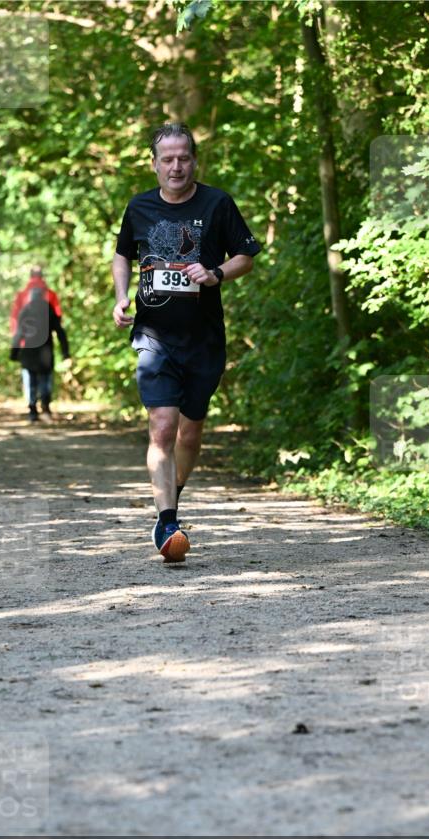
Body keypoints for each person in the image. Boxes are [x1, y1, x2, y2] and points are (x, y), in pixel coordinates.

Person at [112, 123, 261, 562]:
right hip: (154, 337)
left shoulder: (217, 203)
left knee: (190, 433)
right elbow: (122, 254)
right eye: (168, 159)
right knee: (163, 425)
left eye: (183, 158)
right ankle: (167, 519)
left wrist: (215, 273)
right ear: (154, 164)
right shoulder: (139, 207)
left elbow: (245, 257)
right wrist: (120, 297)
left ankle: (171, 493)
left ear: (194, 161)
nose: (175, 166)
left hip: (204, 339)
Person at [10, 266, 70, 422]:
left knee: (30, 380)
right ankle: (46, 408)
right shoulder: (50, 300)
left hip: (28, 349)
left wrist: (14, 352)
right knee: (45, 379)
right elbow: (60, 330)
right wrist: (65, 352)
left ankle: (32, 410)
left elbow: (18, 331)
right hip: (46, 350)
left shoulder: (23, 301)